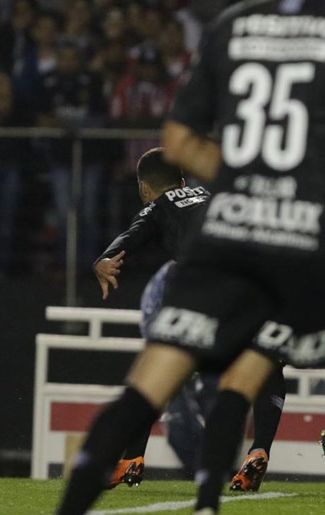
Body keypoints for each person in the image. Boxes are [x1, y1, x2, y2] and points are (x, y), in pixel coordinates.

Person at [57, 2, 325, 514]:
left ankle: (104, 481)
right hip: (292, 241)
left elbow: (178, 140)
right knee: (255, 370)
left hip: (222, 246)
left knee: (150, 383)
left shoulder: (233, 25)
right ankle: (217, 492)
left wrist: (240, 178)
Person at [94, 148, 286, 489]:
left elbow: (129, 240)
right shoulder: (214, 193)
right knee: (268, 364)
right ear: (183, 180)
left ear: (144, 189)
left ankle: (130, 458)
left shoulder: (157, 205)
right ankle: (258, 450)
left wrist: (103, 260)